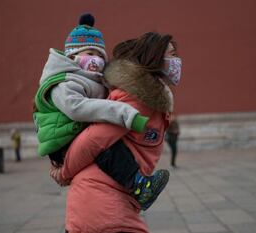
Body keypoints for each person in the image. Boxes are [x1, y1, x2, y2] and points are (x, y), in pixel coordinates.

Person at [33, 13, 168, 209]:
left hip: (71, 133)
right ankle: (138, 185)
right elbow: (76, 108)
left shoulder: (91, 79)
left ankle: (136, 184)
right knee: (107, 149)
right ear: (72, 56)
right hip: (61, 140)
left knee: (108, 145)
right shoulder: (62, 82)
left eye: (99, 55)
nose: (95, 59)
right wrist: (124, 113)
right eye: (89, 53)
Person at [50, 32, 181, 232]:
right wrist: (64, 172)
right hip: (101, 202)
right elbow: (92, 140)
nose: (176, 61)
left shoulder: (150, 98)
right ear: (155, 58)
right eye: (171, 55)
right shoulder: (137, 98)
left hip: (110, 200)